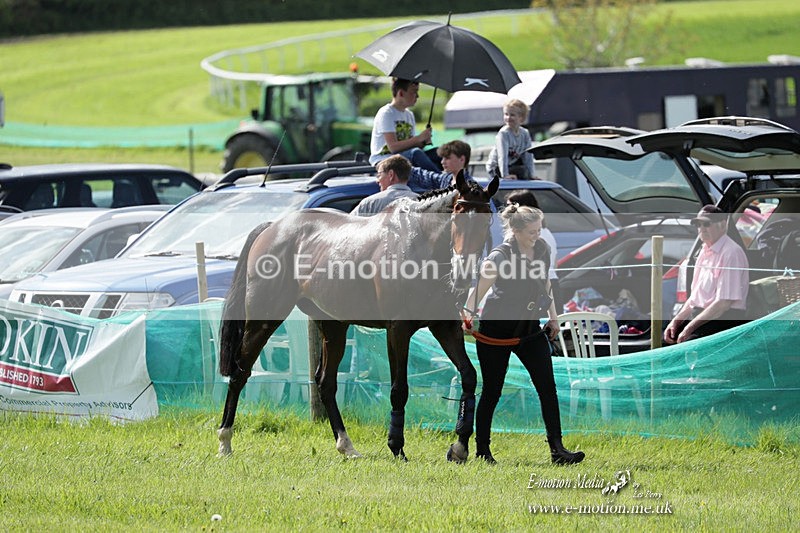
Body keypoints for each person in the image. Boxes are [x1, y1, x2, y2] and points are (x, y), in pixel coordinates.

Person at [463, 204, 585, 465]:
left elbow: (546, 283)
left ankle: (557, 450)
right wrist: (468, 315)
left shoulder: (542, 250)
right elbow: (479, 290)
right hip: (497, 329)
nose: (537, 235)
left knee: (547, 388)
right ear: (516, 231)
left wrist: (553, 316)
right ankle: (482, 451)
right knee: (492, 391)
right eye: (532, 231)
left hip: (530, 328)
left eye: (539, 229)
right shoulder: (499, 256)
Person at [664, 205, 749, 344]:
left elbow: (723, 304)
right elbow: (693, 299)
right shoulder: (703, 251)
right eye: (698, 224)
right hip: (703, 316)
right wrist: (675, 322)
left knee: (688, 343)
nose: (702, 228)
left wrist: (689, 328)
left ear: (723, 225)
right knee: (667, 339)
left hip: (724, 319)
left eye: (707, 224)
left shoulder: (731, 252)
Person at [505, 190, 561, 311]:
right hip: (551, 285)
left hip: (536, 289)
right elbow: (555, 262)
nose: (508, 209)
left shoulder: (521, 234)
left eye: (511, 205)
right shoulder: (546, 231)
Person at [369, 78, 440, 172]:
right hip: (384, 159)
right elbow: (393, 147)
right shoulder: (386, 113)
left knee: (440, 152)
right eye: (414, 92)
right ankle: (442, 179)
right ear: (401, 93)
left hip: (405, 157)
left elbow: (411, 146)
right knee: (416, 153)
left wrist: (423, 141)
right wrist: (418, 138)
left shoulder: (409, 115)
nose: (417, 96)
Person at [351, 155, 417, 217]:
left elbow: (348, 226)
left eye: (379, 175)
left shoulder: (370, 203)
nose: (377, 180)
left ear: (391, 175)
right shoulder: (422, 203)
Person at [486, 98, 535, 180]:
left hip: (511, 165)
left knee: (524, 171)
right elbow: (502, 156)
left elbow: (528, 156)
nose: (508, 117)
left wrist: (532, 175)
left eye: (512, 115)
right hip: (496, 167)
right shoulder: (503, 133)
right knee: (519, 172)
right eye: (506, 114)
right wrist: (505, 175)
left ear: (521, 118)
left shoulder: (525, 133)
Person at [407, 140, 473, 192]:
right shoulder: (445, 179)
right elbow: (425, 176)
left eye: (447, 158)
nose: (442, 162)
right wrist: (404, 166)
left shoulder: (471, 188)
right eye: (442, 158)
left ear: (462, 159)